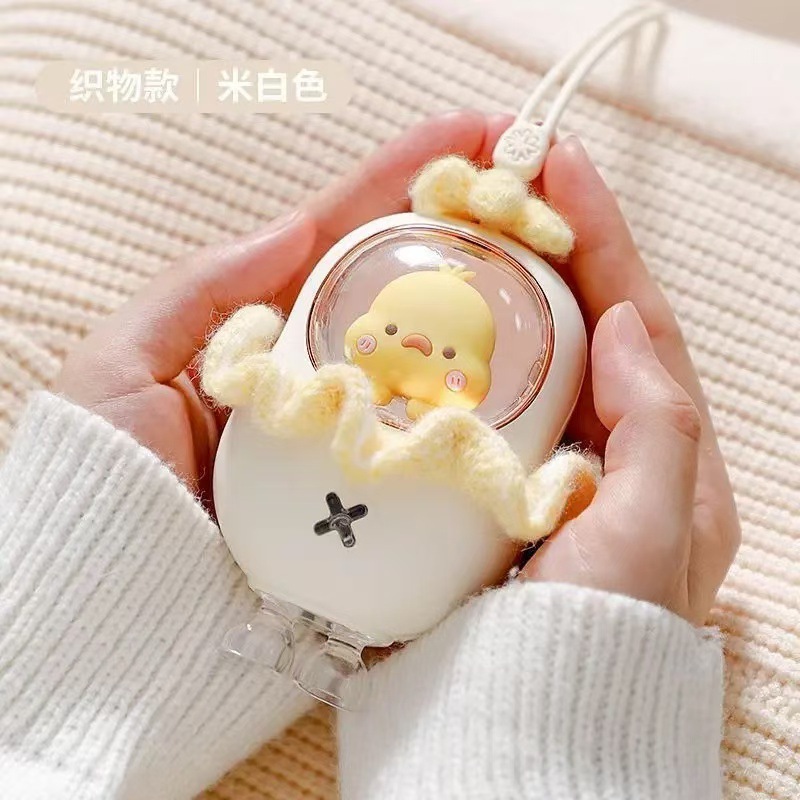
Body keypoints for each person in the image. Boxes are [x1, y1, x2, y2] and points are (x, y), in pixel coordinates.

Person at [0, 111, 739, 799]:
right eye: (393, 331)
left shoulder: (516, 358)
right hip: (302, 524)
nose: (413, 348)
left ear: (476, 374)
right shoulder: (337, 377)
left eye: (445, 354)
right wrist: (554, 719)